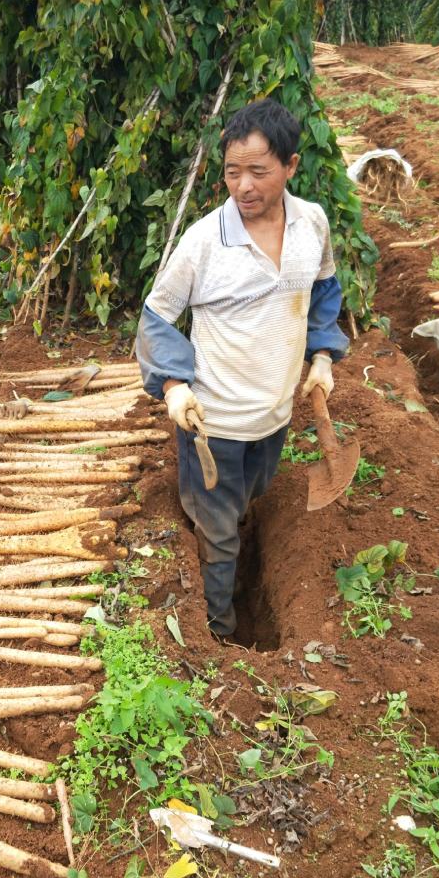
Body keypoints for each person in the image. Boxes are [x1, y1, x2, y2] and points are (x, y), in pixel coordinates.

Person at [136, 98, 349, 639]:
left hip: (274, 416)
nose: (244, 186)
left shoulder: (312, 225)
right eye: (233, 172)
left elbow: (323, 290)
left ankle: (229, 551)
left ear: (291, 166)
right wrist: (175, 386)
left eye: (259, 171)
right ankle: (219, 633)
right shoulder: (205, 241)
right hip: (215, 423)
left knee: (249, 501)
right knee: (219, 532)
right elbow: (158, 314)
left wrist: (322, 356)